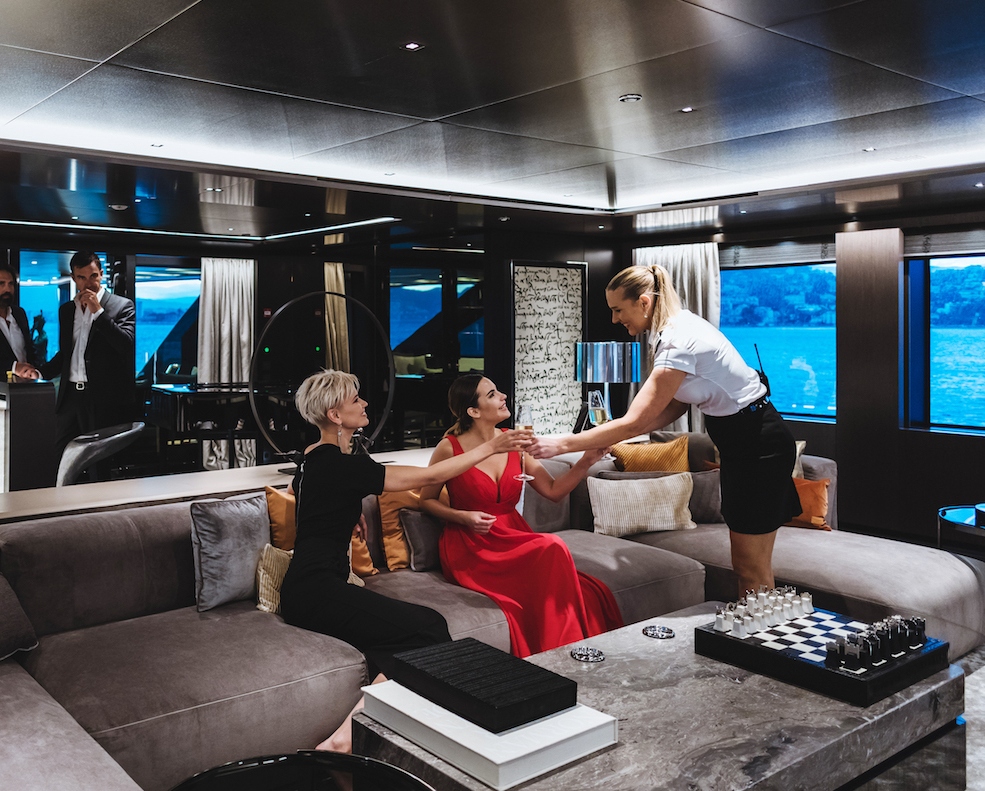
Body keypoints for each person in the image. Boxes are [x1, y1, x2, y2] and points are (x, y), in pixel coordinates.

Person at [278, 368, 531, 753]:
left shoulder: (315, 459)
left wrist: (350, 512)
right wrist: (491, 448)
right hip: (316, 589)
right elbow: (430, 476)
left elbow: (306, 494)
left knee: (403, 640)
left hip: (308, 587)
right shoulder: (342, 465)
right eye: (355, 400)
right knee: (429, 627)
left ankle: (382, 741)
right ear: (335, 415)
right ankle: (343, 741)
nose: (364, 403)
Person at [528, 264, 801, 596]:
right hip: (743, 443)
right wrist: (620, 435)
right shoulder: (672, 329)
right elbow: (675, 406)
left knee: (748, 566)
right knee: (749, 565)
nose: (614, 319)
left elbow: (636, 420)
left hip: (758, 446)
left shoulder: (678, 341)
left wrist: (559, 445)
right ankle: (762, 622)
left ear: (644, 302)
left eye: (618, 310)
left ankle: (761, 627)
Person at [418, 375, 623, 658]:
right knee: (553, 546)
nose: (503, 396)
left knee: (584, 590)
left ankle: (579, 655)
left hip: (513, 534)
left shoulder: (514, 440)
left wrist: (587, 460)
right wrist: (463, 517)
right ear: (473, 411)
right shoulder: (449, 447)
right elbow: (426, 500)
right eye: (492, 394)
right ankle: (562, 656)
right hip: (472, 544)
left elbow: (553, 491)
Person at [35, 252, 137, 462]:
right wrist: (39, 373)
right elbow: (67, 353)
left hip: (102, 399)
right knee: (61, 457)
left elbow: (125, 345)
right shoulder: (66, 310)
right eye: (82, 277)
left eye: (93, 276)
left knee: (99, 462)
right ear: (73, 278)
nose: (89, 283)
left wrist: (98, 311)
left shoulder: (122, 306)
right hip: (70, 397)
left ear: (101, 274)